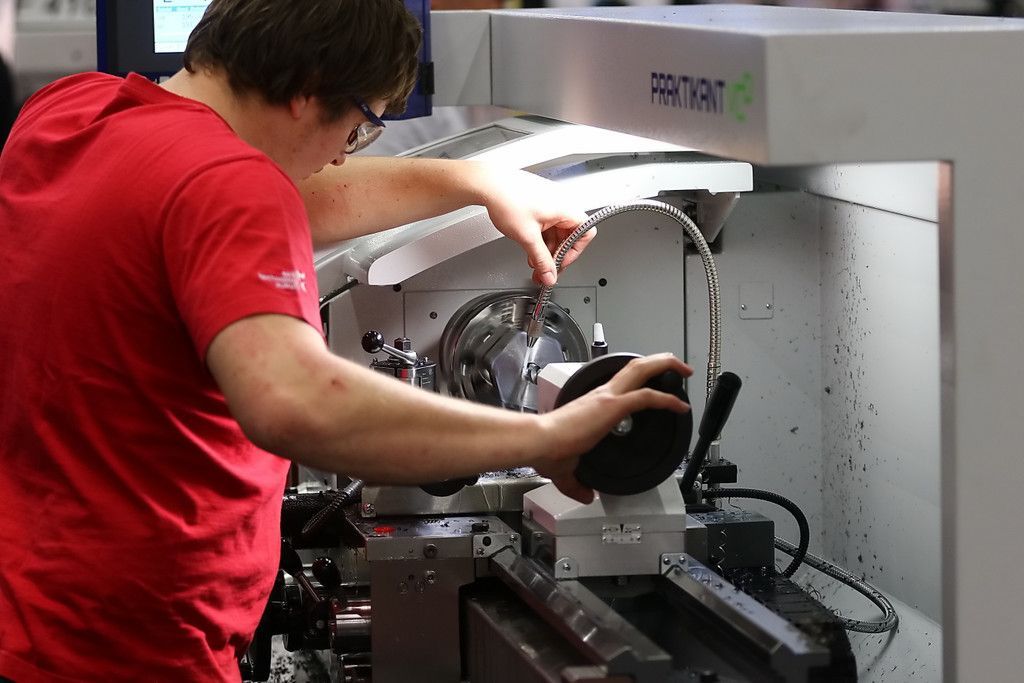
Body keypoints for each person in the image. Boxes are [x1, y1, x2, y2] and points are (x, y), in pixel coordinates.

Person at [0, 1, 692, 681]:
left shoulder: (72, 110)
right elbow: (298, 401)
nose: (341, 154)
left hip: (32, 610)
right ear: (307, 90)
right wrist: (549, 436)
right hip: (134, 647)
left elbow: (247, 194)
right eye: (359, 127)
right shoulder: (229, 187)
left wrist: (478, 181)